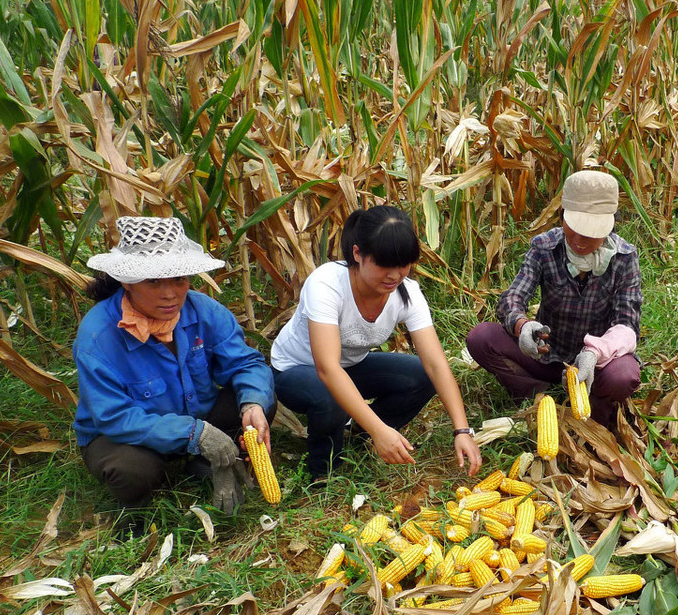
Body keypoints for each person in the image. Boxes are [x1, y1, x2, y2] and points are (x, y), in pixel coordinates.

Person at [74, 216, 276, 522]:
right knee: (132, 472)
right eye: (154, 281)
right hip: (125, 434)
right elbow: (114, 416)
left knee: (259, 403)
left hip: (197, 414)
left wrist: (253, 403)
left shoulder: (204, 311)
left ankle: (205, 463)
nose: (170, 293)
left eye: (179, 279)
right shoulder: (98, 336)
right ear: (126, 282)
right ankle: (138, 504)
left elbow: (246, 363)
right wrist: (196, 434)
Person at [270, 205, 482, 481]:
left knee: (420, 375)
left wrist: (462, 430)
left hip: (351, 367)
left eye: (403, 264)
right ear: (357, 254)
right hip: (296, 370)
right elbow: (328, 369)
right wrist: (379, 430)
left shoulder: (407, 293)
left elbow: (436, 364)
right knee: (330, 396)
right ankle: (324, 473)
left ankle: (358, 434)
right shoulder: (326, 285)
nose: (395, 275)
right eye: (384, 265)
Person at [466, 170, 642, 429]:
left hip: (596, 362)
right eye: (574, 230)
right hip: (548, 355)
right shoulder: (544, 247)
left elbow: (627, 325)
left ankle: (597, 410)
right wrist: (523, 325)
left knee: (624, 375)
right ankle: (535, 394)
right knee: (481, 338)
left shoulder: (625, 258)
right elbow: (513, 297)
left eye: (591, 233)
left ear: (610, 225)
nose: (580, 241)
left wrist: (594, 353)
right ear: (562, 216)